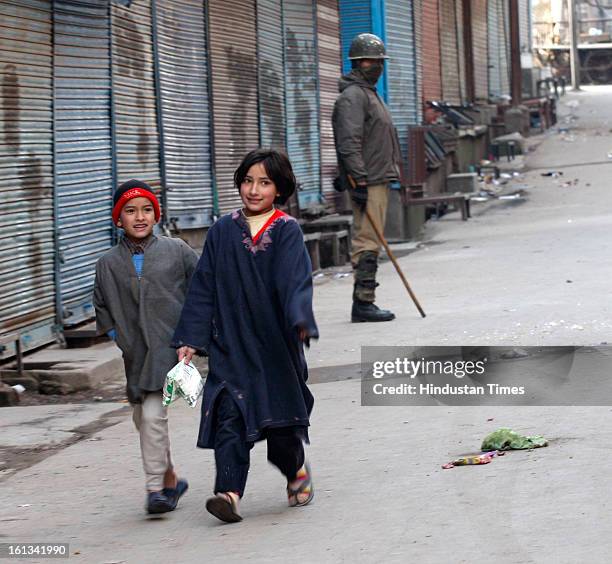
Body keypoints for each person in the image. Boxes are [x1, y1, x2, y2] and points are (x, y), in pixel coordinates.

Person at [172, 149, 318, 524]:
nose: (254, 190)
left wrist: (300, 317)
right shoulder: (222, 231)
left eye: (265, 183)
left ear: (279, 189)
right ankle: (229, 494)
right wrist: (190, 337)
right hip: (231, 346)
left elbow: (295, 280)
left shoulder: (286, 229)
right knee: (229, 423)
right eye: (248, 181)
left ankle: (295, 471)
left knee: (281, 429)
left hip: (274, 348)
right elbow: (203, 287)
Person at [93, 179, 199, 514]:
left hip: (171, 352)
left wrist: (194, 336)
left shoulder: (177, 251)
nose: (139, 217)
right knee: (144, 419)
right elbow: (101, 306)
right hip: (136, 358)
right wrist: (117, 336)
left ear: (157, 214)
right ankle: (170, 479)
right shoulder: (107, 264)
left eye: (146, 210)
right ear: (117, 219)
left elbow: (203, 290)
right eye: (130, 211)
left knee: (152, 417)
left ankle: (155, 489)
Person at [332, 33, 402, 323]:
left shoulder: (368, 93)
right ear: (360, 62)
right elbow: (349, 141)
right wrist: (357, 180)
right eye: (374, 61)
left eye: (380, 61)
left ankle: (366, 300)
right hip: (368, 180)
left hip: (376, 178)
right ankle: (363, 302)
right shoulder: (353, 97)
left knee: (372, 239)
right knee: (367, 240)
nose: (378, 66)